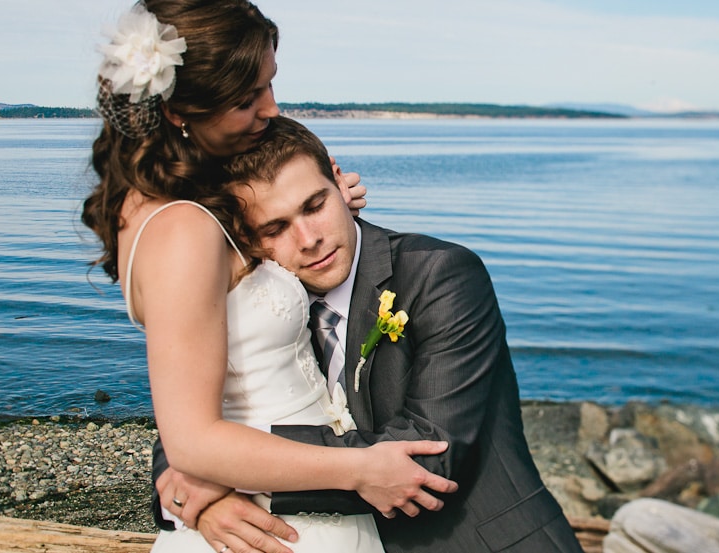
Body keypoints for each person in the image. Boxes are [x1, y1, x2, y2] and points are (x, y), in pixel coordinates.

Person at [81, 2, 457, 553]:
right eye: (246, 98)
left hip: (272, 500)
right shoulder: (185, 230)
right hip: (289, 528)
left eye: (269, 85)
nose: (271, 108)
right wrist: (357, 469)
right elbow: (192, 440)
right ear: (181, 110)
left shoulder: (151, 210)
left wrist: (319, 211)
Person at [152, 116, 586, 553]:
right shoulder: (260, 302)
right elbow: (189, 426)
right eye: (275, 228)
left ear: (340, 182)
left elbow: (431, 455)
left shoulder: (442, 274)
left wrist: (235, 473)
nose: (308, 240)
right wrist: (201, 499)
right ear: (246, 237)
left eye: (314, 205)